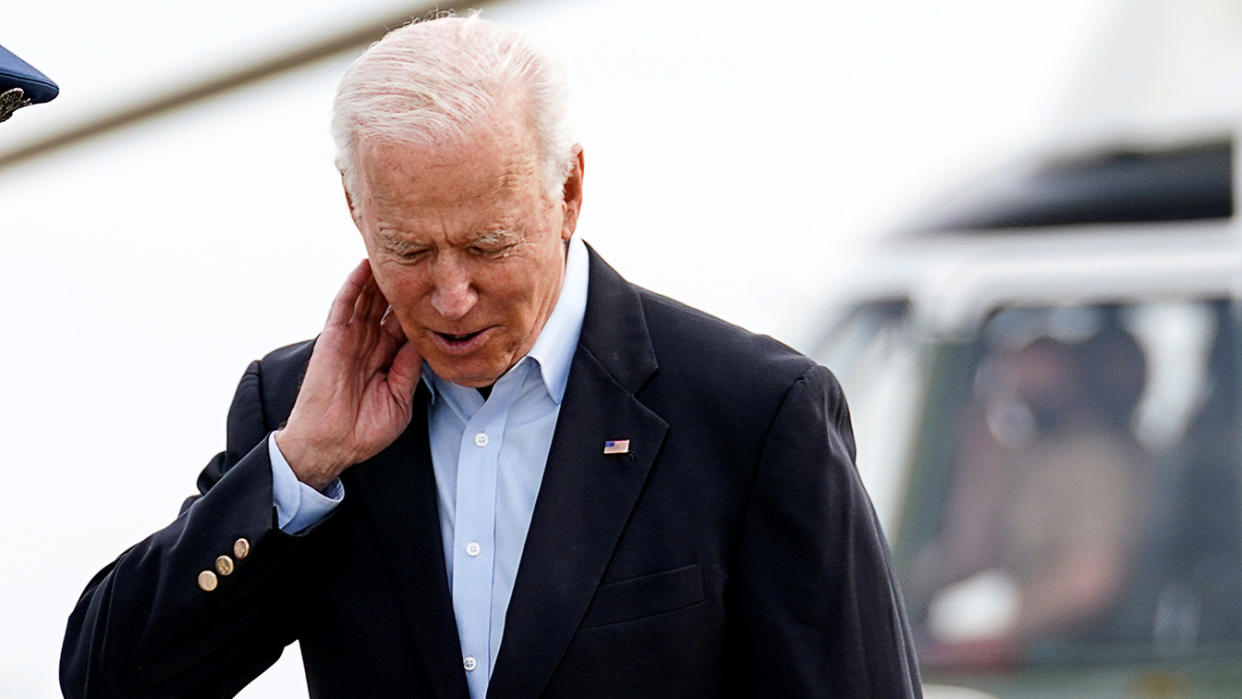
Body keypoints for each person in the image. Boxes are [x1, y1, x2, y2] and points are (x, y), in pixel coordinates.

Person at [61, 14, 920, 698]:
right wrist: (301, 464)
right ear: (354, 210)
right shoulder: (293, 408)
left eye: (488, 243)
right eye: (408, 249)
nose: (451, 295)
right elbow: (108, 680)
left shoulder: (755, 413)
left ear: (569, 192)